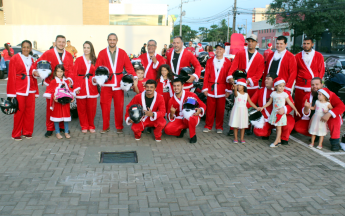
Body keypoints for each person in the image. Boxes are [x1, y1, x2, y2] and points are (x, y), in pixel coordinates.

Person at [93, 33, 136, 134]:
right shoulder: (102, 53)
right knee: (104, 106)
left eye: (114, 39)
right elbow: (97, 67)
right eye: (110, 39)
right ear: (107, 40)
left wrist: (134, 77)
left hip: (118, 84)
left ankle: (119, 126)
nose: (112, 41)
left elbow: (129, 67)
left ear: (117, 40)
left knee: (119, 106)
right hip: (106, 84)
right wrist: (96, 78)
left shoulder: (122, 52)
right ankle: (105, 127)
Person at [33, 35, 74, 137]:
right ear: (55, 42)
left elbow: (72, 70)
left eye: (63, 42)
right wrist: (36, 72)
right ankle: (50, 128)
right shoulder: (48, 53)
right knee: (51, 107)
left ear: (65, 43)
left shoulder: (69, 55)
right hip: (52, 85)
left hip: (64, 86)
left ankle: (62, 127)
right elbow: (37, 64)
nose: (61, 44)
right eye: (59, 41)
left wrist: (69, 80)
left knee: (64, 107)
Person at [294, 77, 345, 151]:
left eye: (317, 84)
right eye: (312, 85)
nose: (314, 86)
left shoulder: (330, 94)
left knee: (335, 119)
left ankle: (335, 141)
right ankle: (316, 134)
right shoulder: (307, 96)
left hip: (327, 118)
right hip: (315, 119)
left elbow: (341, 106)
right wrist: (306, 107)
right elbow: (305, 113)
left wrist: (329, 113)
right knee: (298, 126)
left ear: (322, 85)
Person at [248, 74, 295, 144]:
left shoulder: (284, 92)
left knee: (289, 122)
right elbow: (250, 103)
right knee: (258, 132)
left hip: (280, 117)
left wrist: (284, 109)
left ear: (274, 82)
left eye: (268, 79)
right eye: (265, 79)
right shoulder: (260, 91)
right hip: (267, 118)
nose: (265, 80)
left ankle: (284, 138)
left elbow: (291, 105)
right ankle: (267, 132)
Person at [6, 40, 39, 141]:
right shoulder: (15, 58)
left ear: (30, 48)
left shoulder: (32, 59)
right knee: (19, 112)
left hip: (31, 89)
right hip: (19, 89)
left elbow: (33, 74)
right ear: (21, 47)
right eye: (24, 47)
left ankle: (27, 132)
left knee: (30, 112)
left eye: (28, 47)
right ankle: (16, 133)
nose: (26, 49)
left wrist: (36, 75)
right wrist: (11, 93)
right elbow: (11, 76)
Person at [259, 78, 300, 147]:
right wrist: (263, 107)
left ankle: (276, 142)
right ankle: (279, 141)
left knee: (278, 128)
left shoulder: (285, 94)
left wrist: (295, 110)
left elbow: (290, 103)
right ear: (276, 86)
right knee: (277, 127)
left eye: (283, 86)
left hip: (281, 114)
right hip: (274, 113)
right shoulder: (273, 94)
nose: (282, 87)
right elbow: (269, 102)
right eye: (280, 86)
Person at [165, 78, 206, 143]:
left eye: (178, 85)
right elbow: (169, 117)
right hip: (180, 119)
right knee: (167, 130)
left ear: (182, 86)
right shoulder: (171, 100)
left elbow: (203, 105)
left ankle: (193, 135)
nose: (176, 88)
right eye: (174, 86)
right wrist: (172, 113)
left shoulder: (191, 95)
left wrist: (200, 110)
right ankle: (181, 130)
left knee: (190, 116)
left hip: (192, 118)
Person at [202, 43, 232, 134]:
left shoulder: (228, 62)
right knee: (210, 109)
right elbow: (206, 75)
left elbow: (229, 77)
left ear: (224, 50)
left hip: (222, 88)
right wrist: (205, 88)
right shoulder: (210, 61)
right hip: (211, 88)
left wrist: (228, 90)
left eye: (220, 49)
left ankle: (219, 126)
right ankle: (208, 125)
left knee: (220, 110)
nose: (218, 50)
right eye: (217, 49)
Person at [294, 37, 325, 121]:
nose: (306, 45)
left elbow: (321, 70)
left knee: (313, 104)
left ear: (312, 44)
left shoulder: (319, 56)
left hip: (313, 85)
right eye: (304, 43)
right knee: (298, 104)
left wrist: (318, 84)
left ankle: (311, 123)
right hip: (300, 85)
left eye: (308, 43)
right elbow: (294, 71)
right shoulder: (297, 56)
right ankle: (297, 122)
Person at [73, 41, 99, 133]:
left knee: (91, 108)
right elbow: (74, 74)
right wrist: (75, 88)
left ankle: (91, 125)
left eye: (88, 47)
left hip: (92, 86)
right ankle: (84, 125)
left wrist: (95, 79)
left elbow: (98, 73)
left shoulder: (95, 60)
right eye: (84, 47)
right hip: (81, 87)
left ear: (91, 49)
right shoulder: (79, 60)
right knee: (81, 108)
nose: (86, 49)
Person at [45, 64, 75, 139]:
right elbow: (49, 91)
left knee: (66, 118)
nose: (59, 73)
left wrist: (72, 96)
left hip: (65, 103)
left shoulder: (66, 81)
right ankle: (57, 132)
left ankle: (66, 132)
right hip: (57, 103)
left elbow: (70, 90)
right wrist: (54, 97)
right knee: (56, 118)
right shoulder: (53, 81)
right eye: (58, 71)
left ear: (63, 72)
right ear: (55, 72)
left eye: (61, 71)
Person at [229, 79, 259, 144]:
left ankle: (242, 138)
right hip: (237, 110)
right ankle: (235, 138)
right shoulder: (236, 93)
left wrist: (257, 108)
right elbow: (235, 94)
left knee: (243, 125)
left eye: (240, 85)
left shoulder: (246, 95)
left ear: (244, 86)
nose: (239, 86)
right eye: (238, 85)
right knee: (235, 124)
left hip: (243, 111)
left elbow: (251, 103)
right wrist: (235, 88)